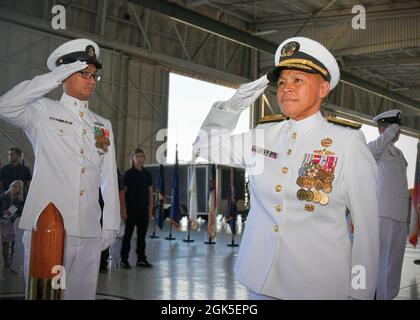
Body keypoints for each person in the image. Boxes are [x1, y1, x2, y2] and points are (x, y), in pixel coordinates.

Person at [193, 37, 380, 300]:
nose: (286, 88)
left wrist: (359, 293)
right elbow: (204, 147)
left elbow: (367, 229)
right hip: (260, 280)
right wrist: (232, 106)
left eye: (298, 80)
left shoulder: (347, 143)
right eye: (281, 82)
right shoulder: (263, 135)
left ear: (323, 88)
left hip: (317, 287)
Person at [0, 38, 120, 299]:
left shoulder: (102, 124)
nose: (91, 81)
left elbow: (109, 178)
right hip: (48, 229)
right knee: (46, 296)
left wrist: (110, 224)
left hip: (89, 230)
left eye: (94, 76)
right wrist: (53, 78)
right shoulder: (43, 111)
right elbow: (5, 106)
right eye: (84, 74)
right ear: (64, 75)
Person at [367, 109, 409, 300]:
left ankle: (389, 296)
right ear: (386, 128)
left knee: (394, 262)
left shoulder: (398, 154)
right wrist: (389, 132)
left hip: (399, 216)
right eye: (395, 129)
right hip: (382, 213)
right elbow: (373, 149)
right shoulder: (376, 150)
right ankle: (376, 295)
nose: (398, 133)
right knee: (381, 261)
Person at [120, 148, 153, 269]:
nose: (139, 159)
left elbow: (150, 192)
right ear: (133, 158)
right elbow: (123, 193)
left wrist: (151, 207)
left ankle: (141, 259)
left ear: (144, 158)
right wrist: (123, 209)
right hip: (130, 210)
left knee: (141, 236)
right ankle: (124, 259)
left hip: (143, 210)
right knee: (128, 235)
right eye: (137, 156)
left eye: (141, 157)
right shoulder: (128, 174)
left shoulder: (147, 174)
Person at [0, 180, 24, 268]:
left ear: (20, 189)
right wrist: (3, 213)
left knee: (15, 245)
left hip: (13, 224)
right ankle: (5, 262)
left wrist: (13, 215)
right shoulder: (3, 196)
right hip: (3, 223)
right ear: (10, 186)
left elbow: (21, 213)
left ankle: (14, 264)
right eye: (14, 185)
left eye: (17, 187)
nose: (15, 188)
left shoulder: (20, 200)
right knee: (5, 245)